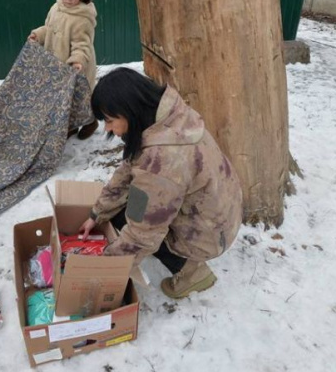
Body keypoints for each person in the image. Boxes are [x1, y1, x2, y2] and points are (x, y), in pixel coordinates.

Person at [79, 68, 243, 299]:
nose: (106, 128)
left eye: (109, 120)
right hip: (221, 210)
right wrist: (97, 214)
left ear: (129, 110)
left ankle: (192, 273)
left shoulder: (162, 162)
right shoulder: (166, 117)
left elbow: (143, 234)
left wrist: (102, 269)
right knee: (121, 208)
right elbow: (128, 170)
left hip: (209, 233)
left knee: (130, 216)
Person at [28, 0, 99, 140]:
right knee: (63, 100)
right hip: (56, 63)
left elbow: (82, 44)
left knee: (78, 98)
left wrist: (77, 60)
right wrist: (38, 35)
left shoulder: (82, 17)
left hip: (76, 64)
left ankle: (91, 122)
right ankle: (71, 127)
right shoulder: (56, 7)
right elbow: (49, 28)